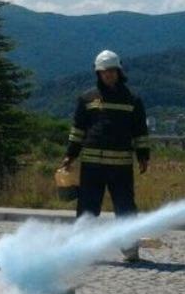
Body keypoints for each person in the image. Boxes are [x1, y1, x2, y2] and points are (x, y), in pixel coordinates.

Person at [61, 50, 150, 262]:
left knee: (125, 207)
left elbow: (140, 132)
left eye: (112, 71)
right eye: (104, 72)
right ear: (98, 73)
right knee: (87, 208)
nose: (108, 75)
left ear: (119, 71)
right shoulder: (86, 99)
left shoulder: (133, 100)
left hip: (120, 166)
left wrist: (143, 156)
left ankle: (130, 248)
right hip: (92, 166)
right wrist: (70, 155)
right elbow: (78, 131)